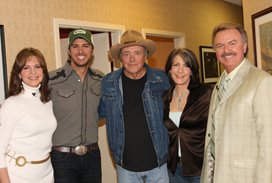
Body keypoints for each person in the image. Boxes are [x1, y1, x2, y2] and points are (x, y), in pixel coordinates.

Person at [201, 22, 272, 183]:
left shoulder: (262, 82)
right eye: (220, 46)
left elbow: (270, 146)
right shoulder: (218, 85)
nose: (226, 50)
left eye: (232, 43)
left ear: (245, 46)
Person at [98, 30, 170, 183]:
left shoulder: (161, 79)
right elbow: (97, 112)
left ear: (146, 56)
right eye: (126, 54)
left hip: (158, 164)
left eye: (137, 53)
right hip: (125, 167)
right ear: (120, 59)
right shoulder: (109, 82)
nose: (132, 59)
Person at [49, 28, 103, 183]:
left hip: (92, 156)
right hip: (62, 159)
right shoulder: (51, 79)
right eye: (75, 46)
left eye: (85, 46)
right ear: (69, 51)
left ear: (92, 50)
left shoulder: (101, 79)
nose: (81, 50)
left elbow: (104, 112)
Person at [0, 47, 57, 183]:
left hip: (46, 173)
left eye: (37, 67)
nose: (33, 72)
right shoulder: (11, 104)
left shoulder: (47, 102)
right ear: (19, 74)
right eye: (26, 67)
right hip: (19, 175)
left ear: (43, 71)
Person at [163, 48, 212, 183]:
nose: (180, 71)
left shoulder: (207, 94)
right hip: (173, 168)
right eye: (176, 65)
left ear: (192, 70)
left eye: (186, 66)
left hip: (200, 169)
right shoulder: (163, 97)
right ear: (169, 69)